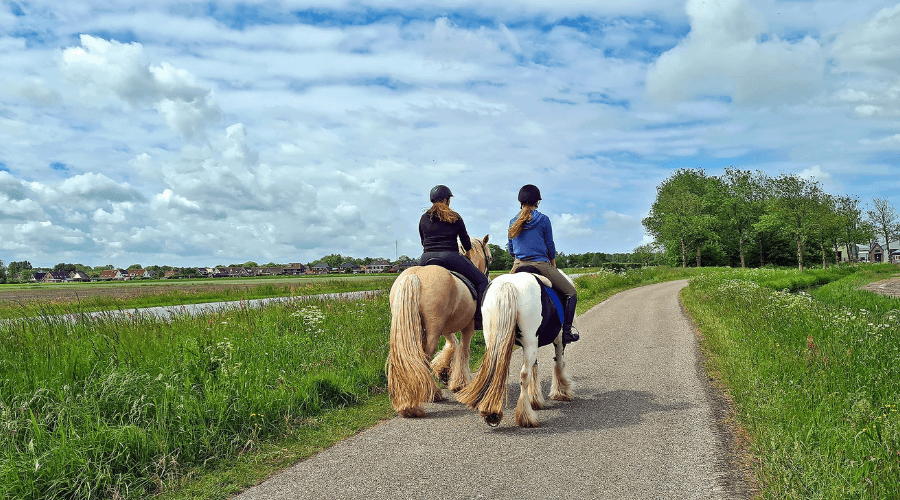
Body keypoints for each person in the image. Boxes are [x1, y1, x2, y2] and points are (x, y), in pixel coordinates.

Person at [507, 184, 579, 343]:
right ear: (537, 201)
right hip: (540, 264)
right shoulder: (543, 220)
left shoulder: (513, 221)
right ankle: (566, 332)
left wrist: (518, 258)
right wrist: (552, 264)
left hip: (518, 265)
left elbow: (511, 250)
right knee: (571, 293)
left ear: (521, 201)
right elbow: (550, 247)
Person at [418, 184, 488, 329]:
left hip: (426, 258)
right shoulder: (455, 217)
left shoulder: (423, 218)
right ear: (446, 200)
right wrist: (468, 252)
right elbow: (466, 242)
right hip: (450, 257)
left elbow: (423, 242)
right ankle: (479, 320)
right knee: (482, 281)